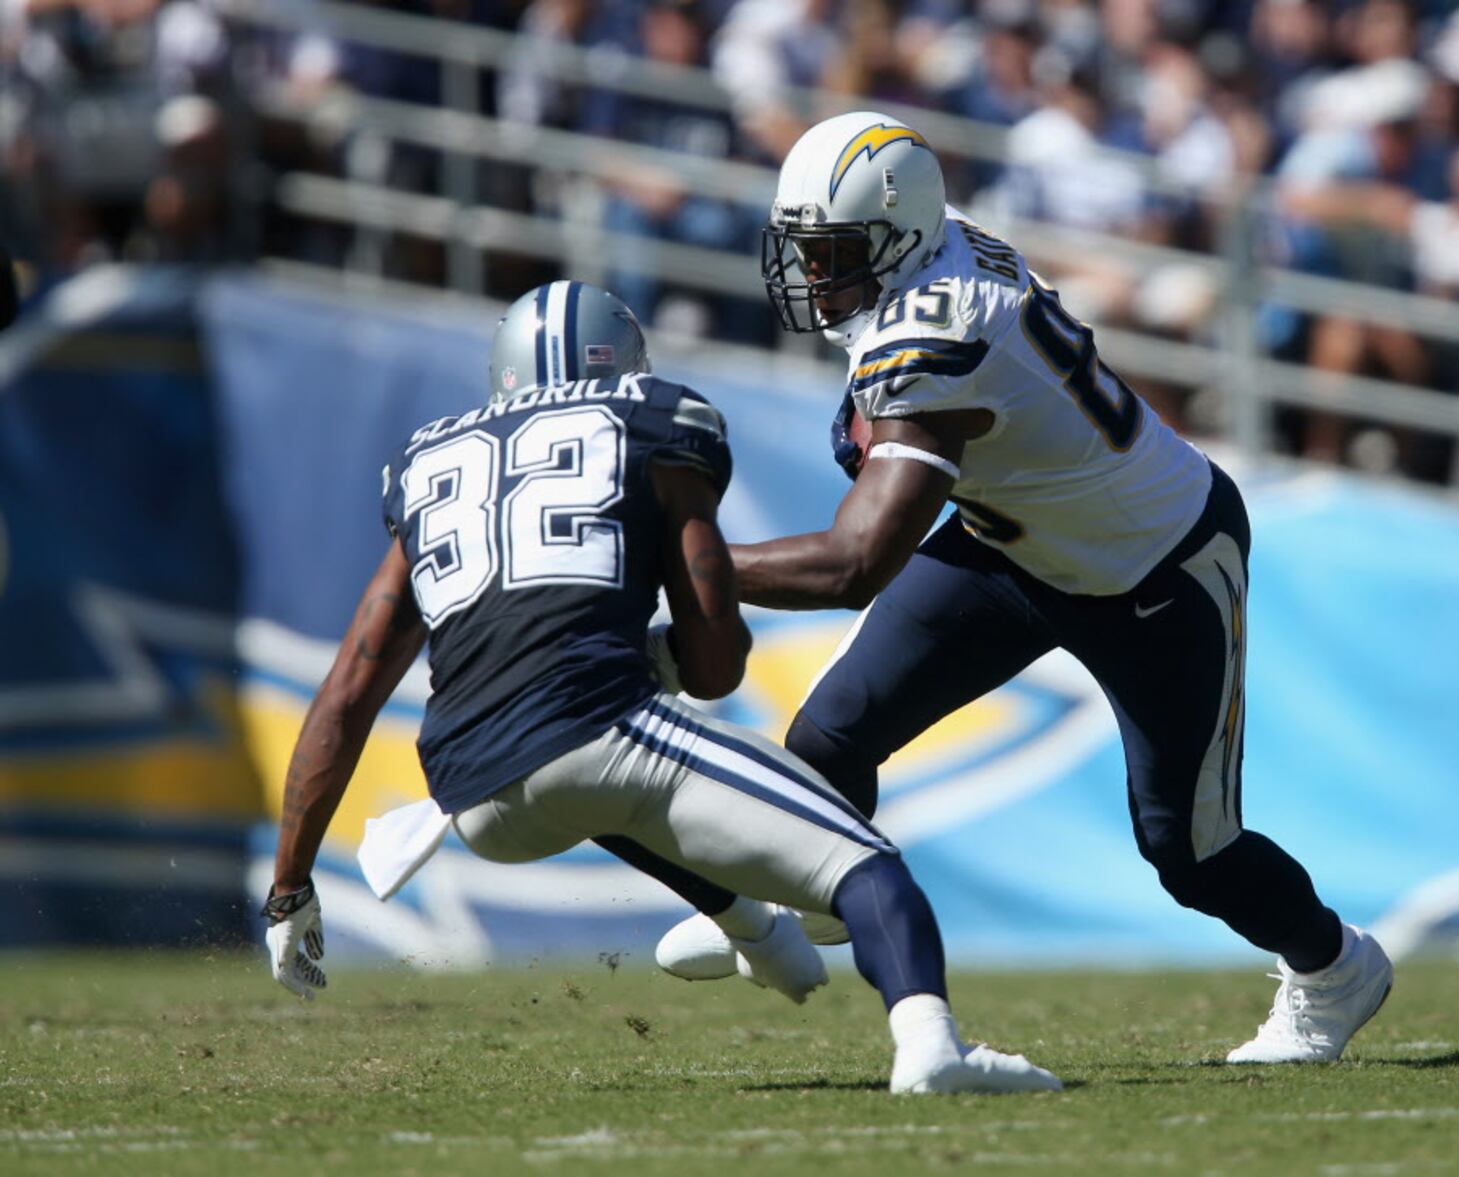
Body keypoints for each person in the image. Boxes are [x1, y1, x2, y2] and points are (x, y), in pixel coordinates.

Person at [654, 112, 1395, 1065]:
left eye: (835, 250)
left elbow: (855, 563)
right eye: (809, 249)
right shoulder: (929, 249)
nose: (813, 273)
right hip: (1018, 539)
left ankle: (1336, 968)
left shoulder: (939, 324)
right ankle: (804, 897)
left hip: (1155, 565)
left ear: (896, 238)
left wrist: (685, 563)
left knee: (1190, 851)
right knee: (832, 731)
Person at [260, 279, 1061, 1097]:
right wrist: (661, 656)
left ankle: (749, 927)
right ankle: (931, 1046)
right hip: (595, 736)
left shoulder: (429, 461)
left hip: (471, 796)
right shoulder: (653, 421)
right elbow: (718, 666)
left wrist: (289, 889)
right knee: (867, 866)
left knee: (600, 782)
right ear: (624, 364)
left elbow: (348, 689)